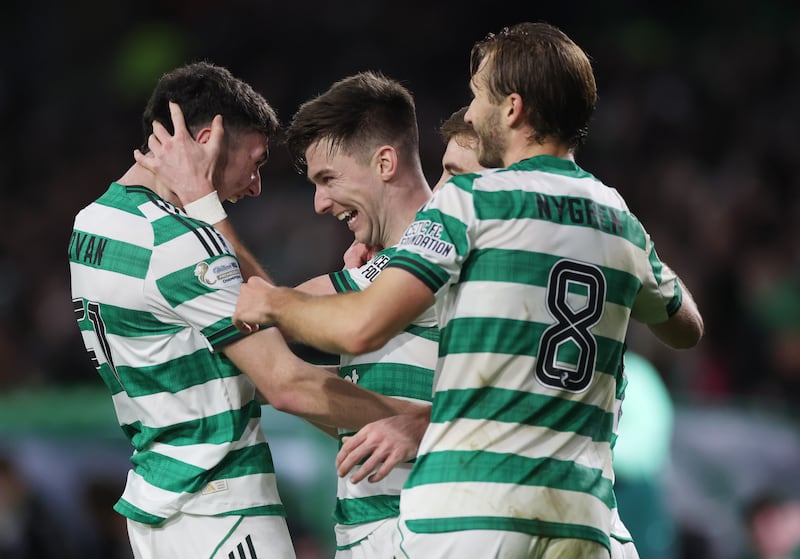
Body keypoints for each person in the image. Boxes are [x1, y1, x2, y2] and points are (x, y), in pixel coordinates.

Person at [231, 22, 704, 559]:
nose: (472, 112)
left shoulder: (473, 202)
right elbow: (686, 326)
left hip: (473, 510)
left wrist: (272, 302)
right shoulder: (616, 217)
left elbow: (359, 326)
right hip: (583, 514)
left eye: (479, 96)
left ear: (512, 109)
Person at [69, 62, 425, 559]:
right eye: (256, 161)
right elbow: (284, 380)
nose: (256, 185)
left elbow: (264, 313)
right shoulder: (178, 242)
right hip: (220, 504)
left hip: (160, 503)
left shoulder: (94, 222)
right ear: (210, 138)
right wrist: (430, 424)